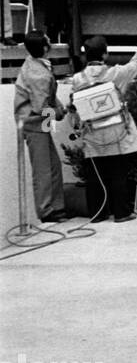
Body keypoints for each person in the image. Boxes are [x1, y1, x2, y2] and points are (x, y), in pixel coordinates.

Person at [70, 23, 137, 224]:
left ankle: (98, 214)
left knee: (95, 175)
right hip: (117, 131)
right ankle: (121, 213)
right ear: (105, 55)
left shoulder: (77, 78)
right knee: (118, 173)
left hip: (92, 134)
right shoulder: (116, 74)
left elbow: (75, 107)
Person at [13, 28, 67, 222]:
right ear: (45, 47)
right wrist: (60, 113)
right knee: (44, 169)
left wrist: (59, 107)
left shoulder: (35, 62)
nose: (51, 41)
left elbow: (48, 95)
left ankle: (57, 207)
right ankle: (47, 211)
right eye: (48, 39)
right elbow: (41, 107)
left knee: (52, 166)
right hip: (33, 122)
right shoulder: (39, 75)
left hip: (36, 121)